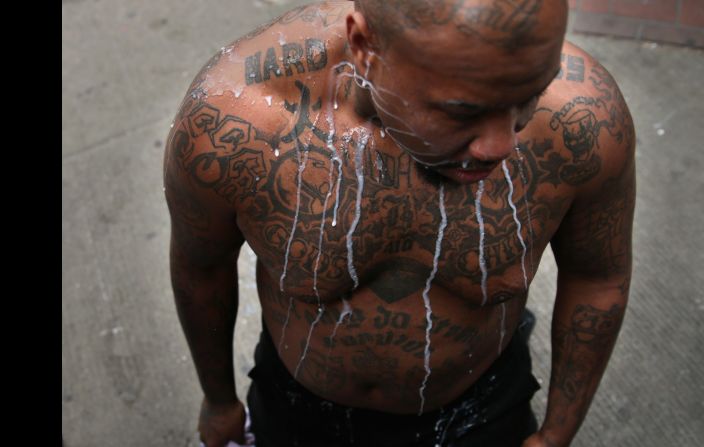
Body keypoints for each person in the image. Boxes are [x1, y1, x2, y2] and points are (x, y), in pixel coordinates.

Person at [163, 0, 636, 446]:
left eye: (530, 95)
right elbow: (201, 270)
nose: (499, 146)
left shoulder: (585, 124)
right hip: (296, 408)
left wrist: (556, 434)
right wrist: (220, 400)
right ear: (366, 48)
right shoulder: (234, 123)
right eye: (462, 111)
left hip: (484, 407)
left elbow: (597, 278)